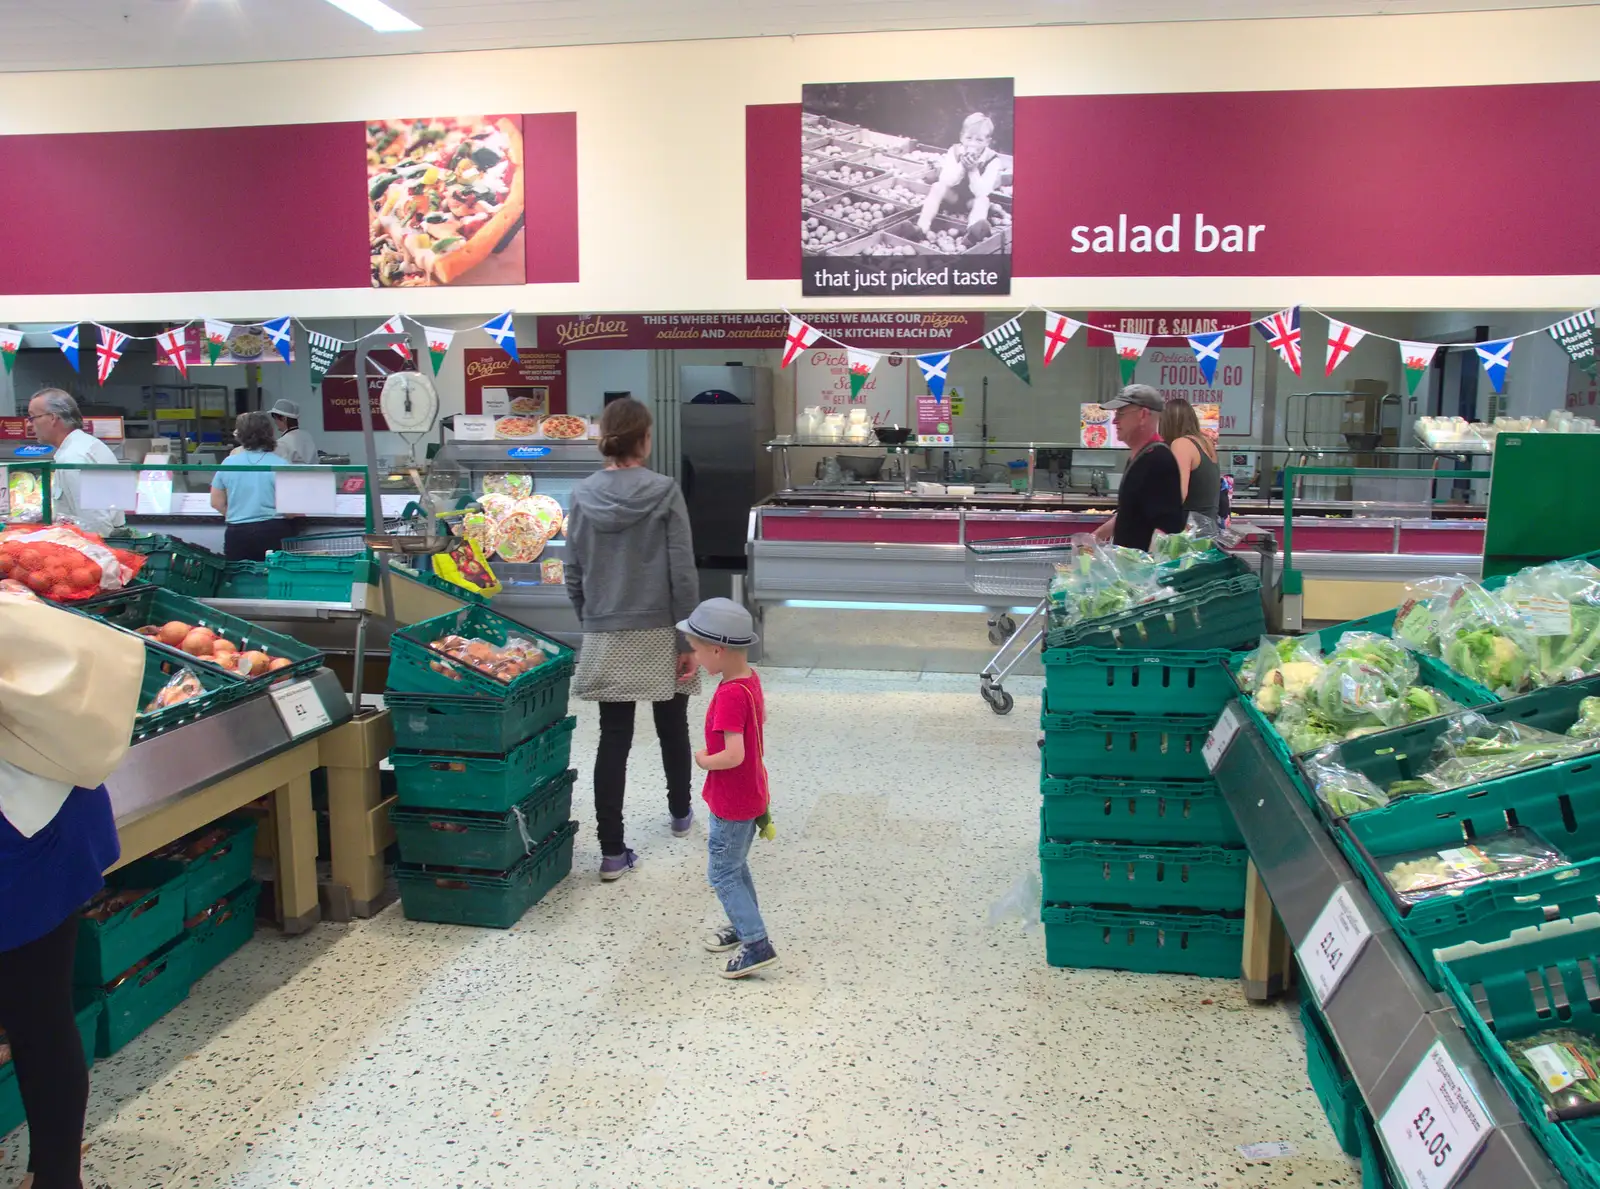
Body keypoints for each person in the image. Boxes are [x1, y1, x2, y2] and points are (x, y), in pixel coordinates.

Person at [0, 592, 144, 1189]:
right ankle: (57, 1177)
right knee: (39, 1012)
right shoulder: (16, 611)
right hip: (52, 806)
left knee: (35, 1011)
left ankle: (57, 1177)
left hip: (22, 835)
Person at [564, 397, 699, 880]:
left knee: (613, 738)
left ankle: (612, 852)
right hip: (662, 627)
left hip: (606, 627)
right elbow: (682, 571)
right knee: (673, 726)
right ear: (644, 439)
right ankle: (681, 815)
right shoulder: (665, 491)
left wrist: (593, 619)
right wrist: (689, 640)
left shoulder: (581, 495)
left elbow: (572, 570)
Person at [680, 597, 778, 980]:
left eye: (698, 651)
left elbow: (733, 754)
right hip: (751, 792)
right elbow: (761, 719)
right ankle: (742, 926)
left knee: (721, 873)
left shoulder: (727, 695)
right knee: (736, 867)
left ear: (717, 650)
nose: (697, 658)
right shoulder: (748, 679)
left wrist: (705, 760)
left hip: (731, 798)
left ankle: (756, 944)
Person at [1093, 385, 1185, 551]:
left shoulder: (1158, 460)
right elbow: (1130, 512)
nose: (1114, 421)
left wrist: (1147, 569)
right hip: (1128, 566)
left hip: (1141, 571)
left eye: (1120, 413)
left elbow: (1165, 528)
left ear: (1143, 415)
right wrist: (1096, 537)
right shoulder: (1138, 457)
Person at [25, 389, 122, 538]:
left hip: (94, 550)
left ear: (52, 418)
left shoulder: (74, 458)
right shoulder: (84, 445)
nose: (28, 425)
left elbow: (95, 525)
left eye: (32, 417)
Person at [209, 411, 292, 561]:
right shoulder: (280, 464)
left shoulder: (229, 463)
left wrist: (239, 515)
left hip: (237, 534)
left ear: (240, 434)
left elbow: (216, 502)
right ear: (269, 433)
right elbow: (290, 510)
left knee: (240, 579)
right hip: (272, 531)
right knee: (272, 578)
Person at [917, 112, 1006, 247]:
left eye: (979, 140)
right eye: (969, 138)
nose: (973, 144)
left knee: (984, 201)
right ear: (961, 137)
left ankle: (972, 235)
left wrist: (973, 171)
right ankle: (921, 227)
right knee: (937, 187)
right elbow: (945, 179)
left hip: (971, 201)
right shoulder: (954, 151)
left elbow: (982, 192)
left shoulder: (992, 160)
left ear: (987, 142)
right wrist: (962, 167)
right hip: (954, 197)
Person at [1160, 398, 1222, 526]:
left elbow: (1178, 495)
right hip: (1208, 527)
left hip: (1189, 531)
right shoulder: (1206, 442)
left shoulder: (1181, 444)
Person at [268, 399, 318, 465]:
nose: (275, 422)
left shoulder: (281, 443)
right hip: (313, 475)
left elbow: (280, 468)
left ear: (284, 419)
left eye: (275, 418)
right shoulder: (307, 436)